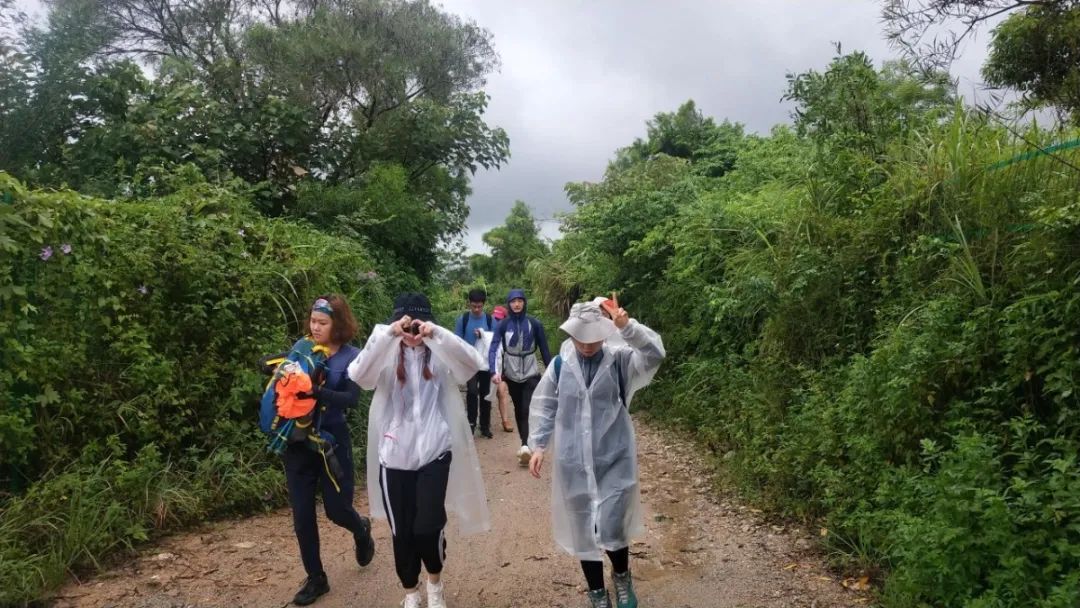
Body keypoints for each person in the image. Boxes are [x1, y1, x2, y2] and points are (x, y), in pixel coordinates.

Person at [347, 293, 491, 608]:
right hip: (394, 457)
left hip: (434, 452)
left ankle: (435, 583)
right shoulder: (385, 353)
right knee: (403, 532)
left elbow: (474, 363)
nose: (412, 331)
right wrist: (388, 334)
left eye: (416, 324)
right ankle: (411, 591)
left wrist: (436, 334)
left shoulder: (439, 354)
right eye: (406, 324)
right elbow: (358, 374)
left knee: (427, 527)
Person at [528, 297, 665, 608]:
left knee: (613, 524)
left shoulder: (620, 360)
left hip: (614, 457)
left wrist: (627, 328)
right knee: (583, 529)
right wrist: (538, 444)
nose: (587, 346)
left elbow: (655, 354)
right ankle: (597, 593)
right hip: (573, 462)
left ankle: (621, 578)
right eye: (580, 338)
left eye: (592, 338)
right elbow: (546, 405)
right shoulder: (560, 365)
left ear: (604, 333)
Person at [283, 295, 376, 606]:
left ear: (338, 324)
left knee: (337, 510)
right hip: (298, 442)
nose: (315, 327)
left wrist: (316, 390)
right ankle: (316, 578)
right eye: (312, 321)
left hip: (332, 443)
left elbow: (351, 399)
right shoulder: (302, 348)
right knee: (302, 515)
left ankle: (360, 528)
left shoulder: (353, 356)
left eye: (322, 323)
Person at [489, 288, 551, 467]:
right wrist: (494, 371)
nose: (516, 304)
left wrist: (552, 373)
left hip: (531, 372)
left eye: (520, 301)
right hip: (512, 373)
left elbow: (545, 350)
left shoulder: (534, 323)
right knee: (519, 408)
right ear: (509, 304)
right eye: (513, 301)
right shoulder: (503, 325)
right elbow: (493, 348)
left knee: (527, 407)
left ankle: (527, 445)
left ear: (524, 303)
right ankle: (525, 444)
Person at [453, 289, 495, 438]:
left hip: (485, 363)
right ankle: (471, 424)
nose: (476, 309)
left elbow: (495, 340)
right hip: (469, 363)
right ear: (469, 304)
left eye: (479, 306)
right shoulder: (463, 320)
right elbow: (456, 340)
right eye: (474, 306)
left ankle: (485, 426)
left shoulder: (490, 320)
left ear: (484, 304)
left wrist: (483, 334)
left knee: (485, 393)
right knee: (471, 392)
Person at [489, 305, 514, 433]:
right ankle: (484, 423)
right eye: (495, 318)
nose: (497, 321)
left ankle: (505, 420)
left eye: (500, 319)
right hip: (488, 365)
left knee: (502, 391)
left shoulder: (509, 332)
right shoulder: (487, 328)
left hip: (503, 366)